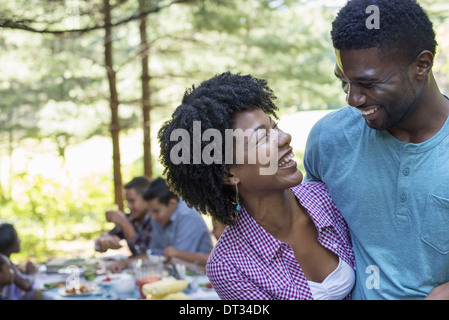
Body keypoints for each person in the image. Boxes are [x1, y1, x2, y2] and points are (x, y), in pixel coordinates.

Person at [157, 72, 355, 300]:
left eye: (275, 127)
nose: (284, 138)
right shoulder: (229, 265)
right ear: (229, 173)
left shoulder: (327, 198)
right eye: (262, 138)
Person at [304, 0, 449, 299]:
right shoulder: (328, 139)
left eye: (368, 83)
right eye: (344, 82)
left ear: (422, 65)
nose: (353, 99)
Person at [143, 177, 213, 268]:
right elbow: (154, 252)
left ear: (172, 203)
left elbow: (175, 259)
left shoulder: (187, 215)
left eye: (156, 211)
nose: (152, 217)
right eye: (150, 211)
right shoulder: (156, 217)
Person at [94, 176, 152, 271]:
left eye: (132, 201)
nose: (128, 206)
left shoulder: (157, 219)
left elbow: (148, 255)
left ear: (146, 199)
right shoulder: (131, 218)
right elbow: (97, 244)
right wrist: (105, 242)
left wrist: (125, 224)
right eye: (127, 201)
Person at [0, 223, 36, 300]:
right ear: (8, 243)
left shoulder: (5, 261)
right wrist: (31, 273)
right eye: (16, 238)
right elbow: (26, 286)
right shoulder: (4, 262)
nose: (19, 241)